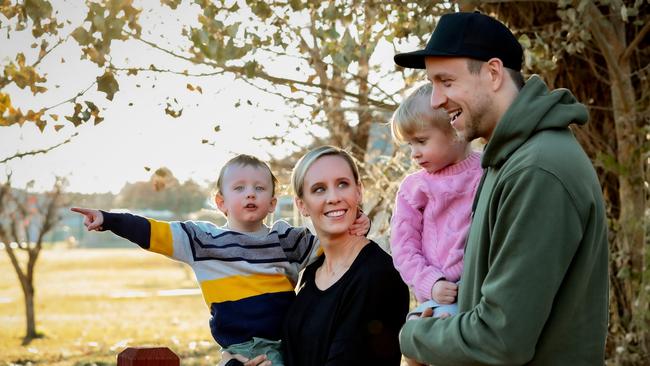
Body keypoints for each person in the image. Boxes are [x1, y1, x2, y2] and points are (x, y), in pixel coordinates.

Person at [393, 11, 608, 365]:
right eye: (432, 84)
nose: (435, 100)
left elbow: (500, 338)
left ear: (493, 73)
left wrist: (413, 336)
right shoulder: (505, 161)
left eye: (446, 81)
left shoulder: (538, 170)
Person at [70, 154, 370, 366]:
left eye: (259, 188)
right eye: (239, 188)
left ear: (271, 204)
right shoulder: (203, 241)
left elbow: (335, 243)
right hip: (237, 349)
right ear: (221, 202)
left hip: (285, 346)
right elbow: (154, 232)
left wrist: (359, 222)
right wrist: (109, 219)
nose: (250, 194)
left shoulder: (286, 240)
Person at [225, 146, 410, 366]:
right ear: (301, 205)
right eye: (319, 189)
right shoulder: (314, 270)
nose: (333, 197)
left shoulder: (377, 276)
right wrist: (233, 359)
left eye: (343, 184)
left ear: (358, 191)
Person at [389, 82, 482, 318]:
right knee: (436, 329)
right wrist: (431, 283)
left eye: (421, 141)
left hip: (484, 287)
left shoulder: (489, 169)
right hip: (442, 294)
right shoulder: (415, 188)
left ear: (455, 130)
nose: (414, 153)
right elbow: (403, 247)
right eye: (410, 144)